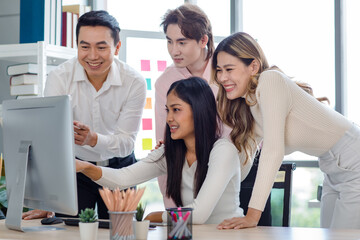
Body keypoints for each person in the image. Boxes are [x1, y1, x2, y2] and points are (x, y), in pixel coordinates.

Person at [212, 31, 360, 229]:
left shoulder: (270, 81)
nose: (222, 77)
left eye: (229, 69)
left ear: (253, 66)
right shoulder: (250, 106)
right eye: (219, 70)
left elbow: (273, 151)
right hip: (332, 168)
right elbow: (243, 165)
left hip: (354, 160)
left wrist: (252, 215)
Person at [22, 10, 146, 220]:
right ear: (77, 45)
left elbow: (126, 143)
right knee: (68, 230)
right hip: (75, 170)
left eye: (101, 47)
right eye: (85, 46)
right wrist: (48, 200)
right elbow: (50, 139)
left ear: (117, 47)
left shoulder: (134, 82)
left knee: (121, 232)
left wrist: (93, 139)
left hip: (118, 169)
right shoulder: (59, 77)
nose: (92, 56)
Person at [76, 77, 244, 224]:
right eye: (168, 110)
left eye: (176, 110)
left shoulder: (223, 151)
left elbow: (198, 214)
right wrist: (85, 167)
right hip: (189, 233)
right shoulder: (171, 152)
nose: (169, 118)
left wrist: (156, 216)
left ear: (199, 110)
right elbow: (123, 178)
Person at [154, 3, 215, 209]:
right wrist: (172, 209)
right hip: (189, 179)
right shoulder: (166, 81)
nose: (174, 51)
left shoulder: (226, 71)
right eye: (169, 42)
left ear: (203, 40)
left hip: (238, 172)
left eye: (182, 42)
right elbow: (165, 143)